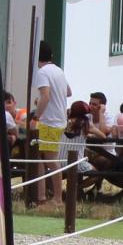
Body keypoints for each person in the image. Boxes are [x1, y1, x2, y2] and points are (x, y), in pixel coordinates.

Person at [33, 42, 73, 203]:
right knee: (42, 158)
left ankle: (57, 197)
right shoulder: (58, 70)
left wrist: (36, 116)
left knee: (50, 159)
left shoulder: (42, 73)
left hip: (49, 121)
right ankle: (41, 195)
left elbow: (46, 97)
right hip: (60, 119)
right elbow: (69, 92)